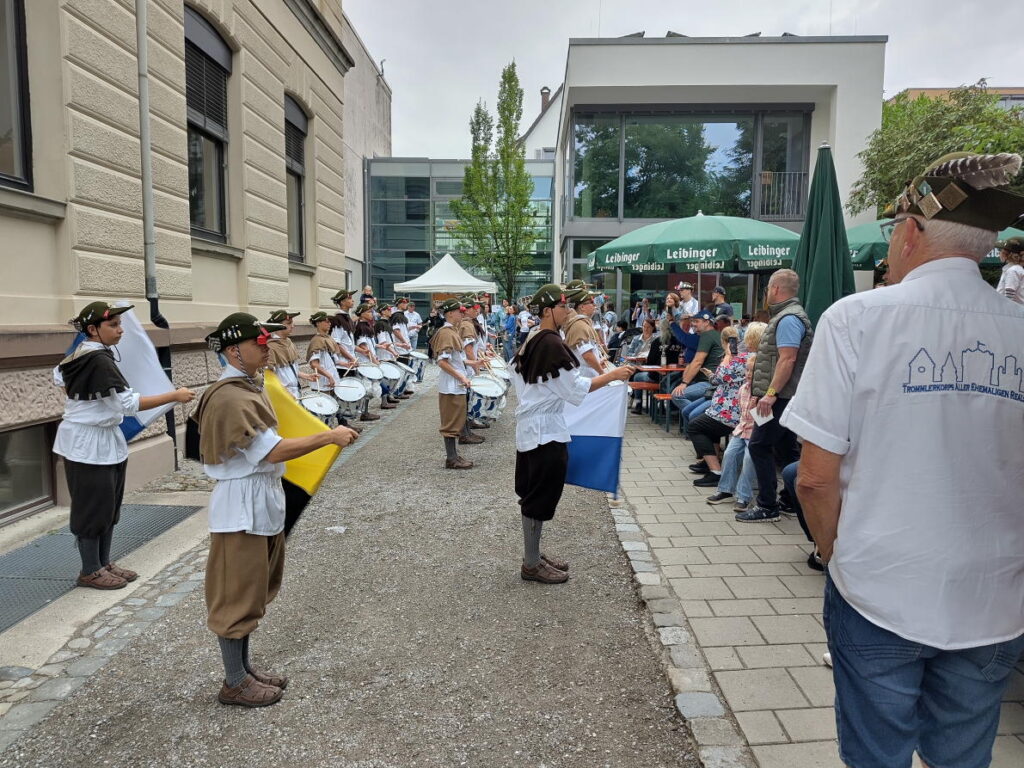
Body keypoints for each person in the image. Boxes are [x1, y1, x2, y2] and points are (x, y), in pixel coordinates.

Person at [781, 152, 1024, 768]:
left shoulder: (856, 318)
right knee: (963, 756)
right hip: (994, 592)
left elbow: (814, 479)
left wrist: (836, 554)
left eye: (894, 230)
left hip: (879, 584)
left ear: (910, 232)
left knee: (876, 756)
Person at [195, 312, 358, 707]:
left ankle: (243, 670)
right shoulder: (231, 395)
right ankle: (234, 682)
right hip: (241, 506)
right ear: (234, 351)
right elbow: (269, 451)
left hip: (258, 499)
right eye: (258, 343)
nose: (267, 348)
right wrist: (328, 437)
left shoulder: (248, 386)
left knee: (253, 590)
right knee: (236, 594)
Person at [54, 302, 195, 590]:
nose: (120, 330)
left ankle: (103, 563)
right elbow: (128, 404)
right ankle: (90, 570)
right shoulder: (96, 359)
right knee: (92, 507)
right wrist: (174, 396)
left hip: (104, 438)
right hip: (87, 443)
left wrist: (83, 399)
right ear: (93, 329)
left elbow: (58, 376)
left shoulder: (90, 355)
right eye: (113, 325)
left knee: (108, 505)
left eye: (120, 324)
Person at [512, 284, 634, 584]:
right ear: (547, 311)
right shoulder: (551, 343)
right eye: (562, 306)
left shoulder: (534, 338)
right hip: (544, 431)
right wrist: (613, 375)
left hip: (535, 426)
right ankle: (531, 563)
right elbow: (576, 389)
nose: (567, 311)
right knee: (539, 496)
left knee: (535, 493)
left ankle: (533, 554)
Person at [735, 269, 812, 523]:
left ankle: (768, 506)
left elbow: (787, 359)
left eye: (768, 288)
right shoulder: (788, 316)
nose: (767, 292)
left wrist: (770, 394)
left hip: (780, 397)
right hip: (785, 396)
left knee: (758, 445)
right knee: (786, 447)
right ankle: (792, 500)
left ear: (776, 289)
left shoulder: (788, 319)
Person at [695, 323, 765, 499]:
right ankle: (725, 487)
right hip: (741, 418)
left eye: (750, 371)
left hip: (744, 416)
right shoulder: (753, 362)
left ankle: (742, 495)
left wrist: (727, 356)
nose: (748, 374)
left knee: (749, 457)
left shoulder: (744, 358)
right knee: (730, 453)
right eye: (748, 371)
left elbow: (720, 378)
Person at [431, 298, 485, 468]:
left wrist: (474, 362)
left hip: (455, 385)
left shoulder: (452, 331)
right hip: (451, 385)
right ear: (449, 314)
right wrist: (461, 377)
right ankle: (451, 459)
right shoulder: (446, 333)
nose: (462, 314)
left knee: (457, 419)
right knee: (451, 422)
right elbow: (442, 362)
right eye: (459, 312)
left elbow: (457, 359)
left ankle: (454, 455)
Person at [669, 309, 724, 412]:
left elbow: (698, 361)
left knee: (677, 395)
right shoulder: (714, 334)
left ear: (707, 322)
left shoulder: (707, 335)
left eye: (697, 321)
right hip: (713, 381)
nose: (693, 324)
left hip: (709, 382)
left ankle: (701, 417)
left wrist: (684, 383)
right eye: (693, 321)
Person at [265, 309, 317, 399]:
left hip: (295, 392)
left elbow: (291, 369)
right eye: (289, 323)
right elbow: (270, 377)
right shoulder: (271, 347)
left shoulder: (289, 342)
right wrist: (285, 392)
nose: (293, 326)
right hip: (282, 395)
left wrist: (306, 376)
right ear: (278, 326)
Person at [353, 303, 395, 410]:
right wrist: (374, 360)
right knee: (367, 387)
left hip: (370, 361)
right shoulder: (361, 327)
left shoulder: (366, 326)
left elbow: (370, 344)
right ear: (362, 314)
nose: (371, 314)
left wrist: (380, 346)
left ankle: (365, 411)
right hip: (365, 362)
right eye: (368, 312)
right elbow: (363, 347)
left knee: (373, 386)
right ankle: (364, 412)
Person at [562, 281, 605, 377]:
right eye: (591, 302)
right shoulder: (579, 324)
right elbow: (587, 355)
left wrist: (598, 361)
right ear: (582, 307)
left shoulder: (582, 321)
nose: (594, 305)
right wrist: (602, 373)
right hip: (585, 375)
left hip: (587, 373)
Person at [995, 235, 1024, 304]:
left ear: (1009, 254)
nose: (1000, 252)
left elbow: (1008, 299)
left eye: (1002, 250)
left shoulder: (1013, 270)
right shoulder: (1015, 269)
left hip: (1011, 309)